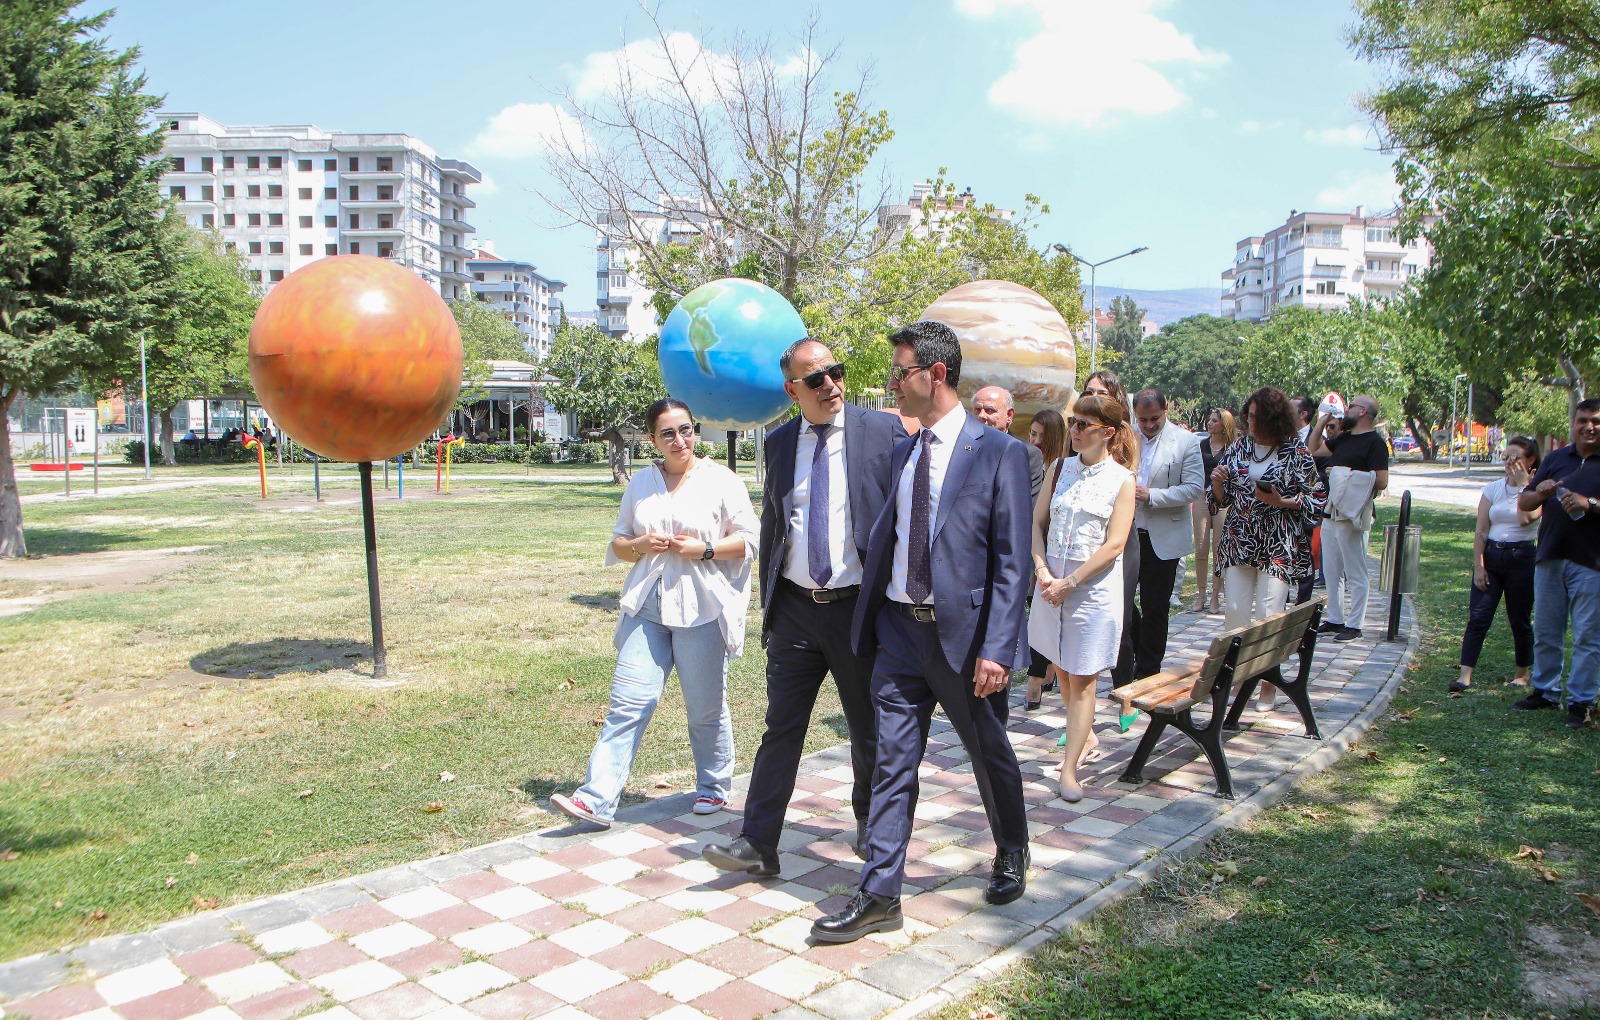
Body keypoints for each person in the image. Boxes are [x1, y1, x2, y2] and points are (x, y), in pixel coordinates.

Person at [811, 321, 1033, 944]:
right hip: (898, 637)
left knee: (989, 754)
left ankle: (1012, 848)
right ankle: (881, 892)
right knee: (891, 764)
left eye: (900, 372)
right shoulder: (905, 451)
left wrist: (998, 648)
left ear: (936, 375)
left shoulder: (1000, 454)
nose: (891, 384)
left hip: (964, 644)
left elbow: (1013, 564)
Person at [702, 339, 903, 877]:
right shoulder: (780, 442)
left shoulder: (882, 432)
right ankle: (758, 842)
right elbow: (775, 522)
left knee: (867, 728)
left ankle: (870, 823)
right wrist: (769, 604)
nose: (831, 385)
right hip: (794, 610)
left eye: (836, 372)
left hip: (856, 609)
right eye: (816, 380)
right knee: (781, 727)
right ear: (793, 391)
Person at [551, 398, 758, 828]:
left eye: (686, 429)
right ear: (653, 440)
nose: (679, 439)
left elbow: (750, 540)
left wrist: (703, 550)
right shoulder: (642, 483)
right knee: (629, 702)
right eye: (668, 433)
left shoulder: (721, 480)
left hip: (700, 607)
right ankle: (597, 799)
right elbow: (619, 544)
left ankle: (714, 788)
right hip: (647, 604)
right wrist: (641, 546)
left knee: (704, 707)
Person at [1028, 393, 1137, 801]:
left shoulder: (1121, 480)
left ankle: (1070, 770)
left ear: (1108, 432)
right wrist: (1042, 570)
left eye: (1082, 425)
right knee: (1064, 672)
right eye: (1072, 422)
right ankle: (1085, 738)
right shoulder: (1058, 468)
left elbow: (1114, 545)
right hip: (1049, 583)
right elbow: (1037, 524)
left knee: (1084, 678)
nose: (1073, 431)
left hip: (1090, 589)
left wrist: (1069, 582)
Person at [1209, 387, 1326, 708]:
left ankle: (1267, 685)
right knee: (1235, 612)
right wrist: (1218, 484)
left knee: (1268, 614)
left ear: (1277, 420)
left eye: (1260, 419)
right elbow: (1220, 500)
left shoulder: (1295, 451)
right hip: (1238, 542)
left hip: (1277, 545)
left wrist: (1282, 501)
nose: (1252, 423)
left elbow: (1317, 497)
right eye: (1249, 416)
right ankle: (1235, 680)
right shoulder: (1239, 447)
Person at [1515, 398, 1600, 729]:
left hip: (1591, 563)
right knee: (1547, 630)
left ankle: (1581, 702)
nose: (1588, 426)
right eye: (1582, 420)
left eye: (1595, 421)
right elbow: (1525, 500)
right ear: (1573, 423)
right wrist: (1542, 492)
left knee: (1587, 635)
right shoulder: (1556, 458)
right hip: (1550, 555)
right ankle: (1546, 691)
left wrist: (1588, 503)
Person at [1454, 437, 1541, 692]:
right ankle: (1464, 675)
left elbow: (1526, 520)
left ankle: (1522, 673)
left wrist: (1525, 486)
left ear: (1530, 461)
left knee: (1519, 618)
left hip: (1522, 557)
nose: (1509, 463)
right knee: (1478, 616)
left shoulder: (1537, 493)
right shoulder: (1492, 489)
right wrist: (1479, 565)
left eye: (1515, 458)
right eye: (1506, 457)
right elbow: (1481, 529)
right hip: (1492, 556)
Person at [1129, 389, 1204, 679]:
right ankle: (1137, 653)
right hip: (1128, 534)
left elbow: (1194, 487)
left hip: (1163, 536)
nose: (1148, 425)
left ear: (1166, 410)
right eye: (1143, 419)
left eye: (1154, 419)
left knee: (1155, 607)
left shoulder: (1185, 441)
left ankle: (1148, 671)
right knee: (1121, 604)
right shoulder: (1127, 436)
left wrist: (1152, 495)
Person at [1307, 395, 1389, 641]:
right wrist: (1321, 423)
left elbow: (1382, 481)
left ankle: (1355, 624)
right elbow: (1312, 449)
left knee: (1355, 569)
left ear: (1363, 411)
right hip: (1333, 510)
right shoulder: (1343, 438)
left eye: (1352, 405)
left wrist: (1344, 473)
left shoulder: (1375, 443)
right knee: (1331, 568)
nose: (1347, 409)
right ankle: (1335, 618)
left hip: (1355, 513)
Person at [1081, 371, 1139, 690]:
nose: (1092, 397)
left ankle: (1124, 692)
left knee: (1121, 619)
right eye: (1088, 391)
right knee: (1084, 623)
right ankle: (1081, 713)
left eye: (1101, 392)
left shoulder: (1123, 438)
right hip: (1084, 536)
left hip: (1120, 537)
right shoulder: (1076, 430)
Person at [1024, 409, 1068, 708]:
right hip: (1030, 546)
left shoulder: (1062, 469)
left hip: (1054, 551)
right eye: (1032, 434)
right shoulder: (1029, 463)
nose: (1036, 441)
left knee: (1043, 615)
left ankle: (1035, 680)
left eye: (1042, 436)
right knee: (1037, 613)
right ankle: (1048, 671)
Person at [1192, 408, 1236, 614]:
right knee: (1201, 548)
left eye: (1214, 420)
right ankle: (1201, 595)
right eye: (1209, 420)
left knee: (1219, 548)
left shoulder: (1232, 448)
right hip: (1201, 496)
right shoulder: (1200, 445)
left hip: (1222, 499)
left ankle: (1216, 596)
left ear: (1224, 425)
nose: (1209, 423)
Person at [973, 386, 1045, 505]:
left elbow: (1025, 506)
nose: (981, 416)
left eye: (989, 410)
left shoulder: (1027, 453)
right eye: (977, 409)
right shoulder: (962, 447)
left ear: (1009, 415)